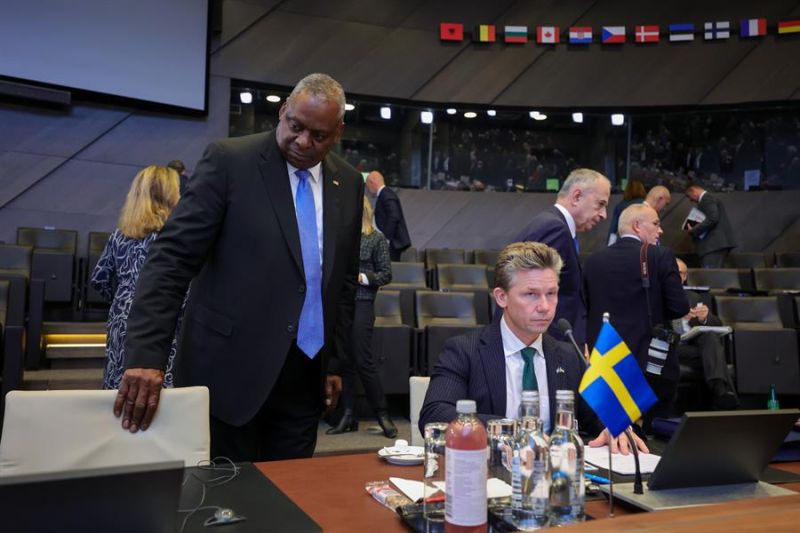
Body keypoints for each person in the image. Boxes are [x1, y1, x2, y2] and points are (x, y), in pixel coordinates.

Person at [114, 73, 364, 462]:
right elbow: (171, 260)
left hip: (304, 380)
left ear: (338, 133)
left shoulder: (347, 182)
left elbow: (343, 282)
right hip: (227, 375)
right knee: (224, 506)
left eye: (318, 135)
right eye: (295, 127)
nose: (302, 142)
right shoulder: (230, 161)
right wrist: (147, 354)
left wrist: (334, 363)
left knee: (290, 506)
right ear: (282, 112)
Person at [420, 241, 648, 454]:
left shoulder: (569, 356)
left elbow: (597, 416)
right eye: (531, 294)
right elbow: (435, 416)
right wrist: (516, 432)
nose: (545, 307)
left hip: (555, 482)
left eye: (551, 294)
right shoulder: (464, 350)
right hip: (489, 475)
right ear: (502, 297)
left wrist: (614, 426)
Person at [584, 204, 689, 425]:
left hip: (605, 358)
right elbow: (679, 307)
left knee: (611, 427)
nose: (660, 231)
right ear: (637, 225)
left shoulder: (593, 260)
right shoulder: (660, 256)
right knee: (652, 429)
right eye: (656, 224)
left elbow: (586, 308)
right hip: (646, 358)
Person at [90, 165, 181, 390]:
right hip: (163, 321)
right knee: (161, 393)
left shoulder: (119, 235)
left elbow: (100, 279)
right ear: (169, 194)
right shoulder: (176, 236)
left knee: (119, 390)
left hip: (122, 320)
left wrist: (124, 299)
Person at [514, 168, 611, 348]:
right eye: (600, 204)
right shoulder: (554, 229)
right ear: (576, 196)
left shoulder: (554, 225)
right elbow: (530, 296)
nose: (604, 214)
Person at [327, 198, 397, 437]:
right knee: (344, 358)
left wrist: (363, 277)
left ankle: (382, 413)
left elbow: (386, 274)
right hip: (340, 304)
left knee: (362, 357)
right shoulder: (340, 237)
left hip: (362, 302)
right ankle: (347, 416)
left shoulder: (376, 238)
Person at [674, 258, 739, 409]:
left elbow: (718, 324)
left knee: (710, 337)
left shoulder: (693, 297)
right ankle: (723, 393)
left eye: (682, 274)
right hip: (672, 345)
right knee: (714, 354)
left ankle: (719, 390)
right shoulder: (658, 296)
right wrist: (677, 316)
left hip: (693, 347)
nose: (679, 276)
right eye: (675, 272)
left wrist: (704, 318)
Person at [684, 182, 736, 268]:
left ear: (693, 191)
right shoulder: (709, 198)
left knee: (710, 277)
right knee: (713, 276)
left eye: (689, 196)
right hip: (716, 245)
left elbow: (713, 218)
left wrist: (694, 229)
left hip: (713, 246)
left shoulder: (706, 199)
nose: (690, 200)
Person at [366, 170, 411, 261]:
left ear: (372, 182)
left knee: (389, 269)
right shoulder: (386, 194)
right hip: (392, 242)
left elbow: (394, 216)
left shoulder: (386, 194)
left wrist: (386, 237)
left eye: (367, 186)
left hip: (393, 243)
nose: (368, 190)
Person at [607, 179, 646, 245]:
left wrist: (609, 247)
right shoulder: (646, 204)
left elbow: (613, 229)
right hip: (642, 242)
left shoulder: (619, 206)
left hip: (623, 242)